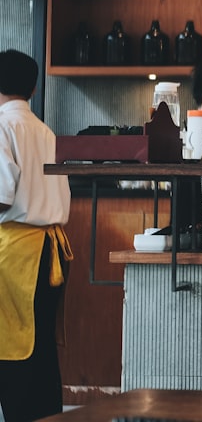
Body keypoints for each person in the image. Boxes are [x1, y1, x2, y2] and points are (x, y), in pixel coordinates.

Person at [0, 49, 73, 422]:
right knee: (40, 345)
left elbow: (0, 196)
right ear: (32, 88)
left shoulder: (1, 126)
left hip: (16, 254)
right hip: (52, 250)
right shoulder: (45, 131)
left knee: (13, 347)